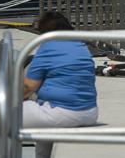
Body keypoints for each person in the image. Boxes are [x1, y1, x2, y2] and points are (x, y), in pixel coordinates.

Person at [21, 11, 98, 158]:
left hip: (64, 113)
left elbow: (29, 86)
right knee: (42, 126)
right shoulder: (80, 46)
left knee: (1, 114)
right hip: (90, 112)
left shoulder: (48, 48)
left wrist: (10, 100)